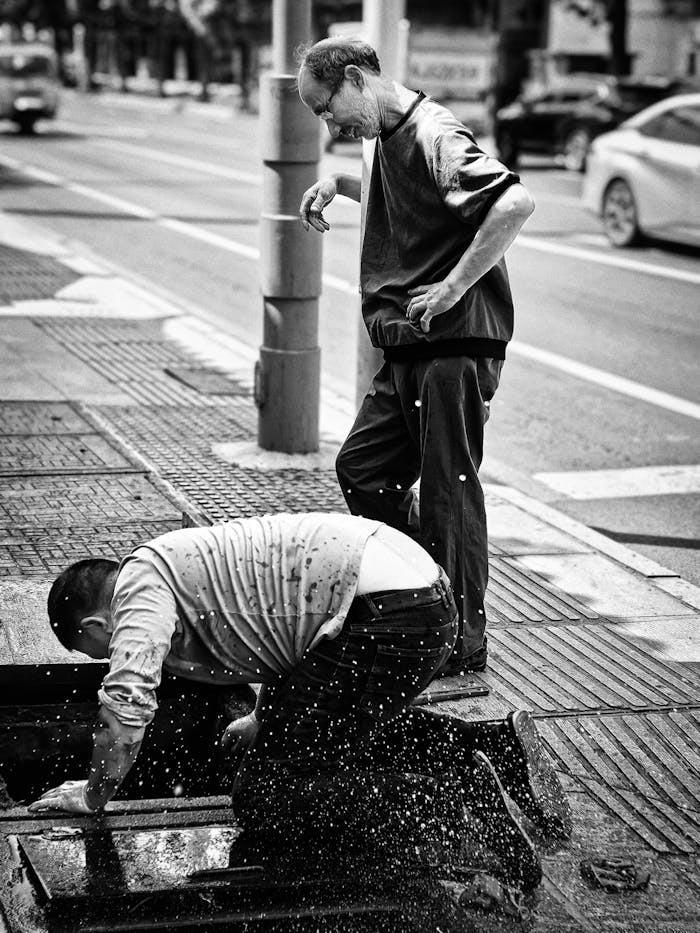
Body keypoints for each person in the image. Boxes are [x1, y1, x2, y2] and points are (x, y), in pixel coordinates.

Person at [28, 514, 569, 891]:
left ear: (97, 626)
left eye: (98, 651)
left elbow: (126, 707)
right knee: (331, 725)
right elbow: (284, 629)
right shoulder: (169, 563)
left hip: (387, 614)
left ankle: (460, 808)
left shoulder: (136, 596)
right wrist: (264, 717)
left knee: (267, 794)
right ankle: (495, 749)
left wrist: (95, 795)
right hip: (414, 591)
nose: (111, 657)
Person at [297, 38, 535, 675]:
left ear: (355, 77)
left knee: (449, 493)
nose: (331, 126)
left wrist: (453, 287)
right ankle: (422, 594)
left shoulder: (432, 130)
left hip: (451, 346)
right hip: (408, 346)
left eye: (328, 109)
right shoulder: (391, 137)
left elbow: (513, 202)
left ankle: (460, 641)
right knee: (364, 469)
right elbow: (408, 198)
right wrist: (340, 184)